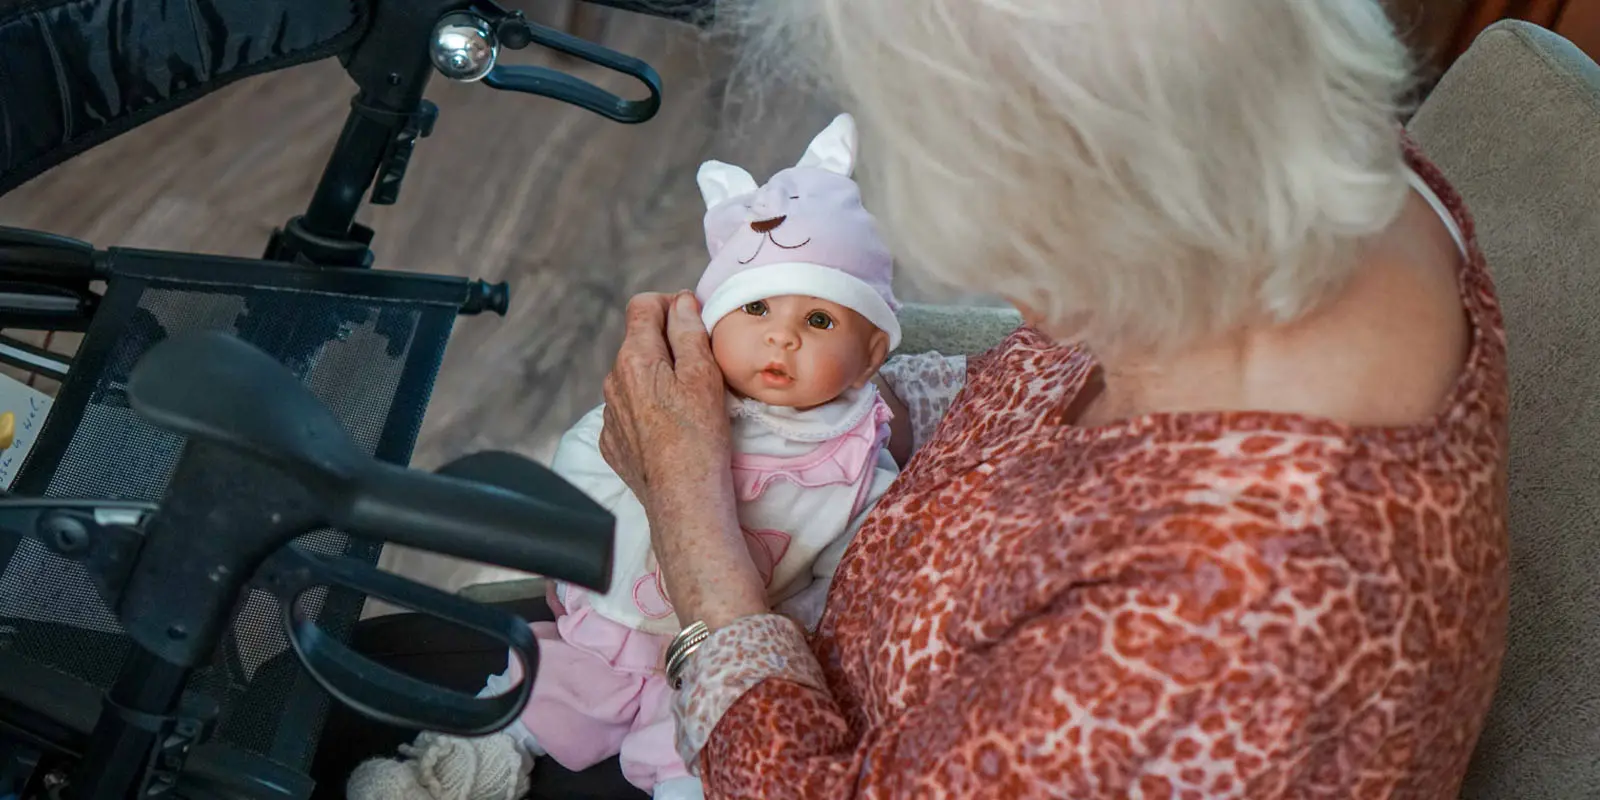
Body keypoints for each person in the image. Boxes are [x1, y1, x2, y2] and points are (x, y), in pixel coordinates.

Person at [594, 0, 1509, 797]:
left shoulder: (1227, 631)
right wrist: (853, 409)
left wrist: (689, 516)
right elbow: (1035, 394)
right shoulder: (1304, 158)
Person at [346, 114, 910, 800]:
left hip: (724, 668)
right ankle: (447, 775)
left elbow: (855, 570)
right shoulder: (670, 400)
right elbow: (589, 461)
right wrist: (572, 556)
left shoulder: (857, 458)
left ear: (869, 357)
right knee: (531, 694)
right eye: (757, 309)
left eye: (818, 321)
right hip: (612, 635)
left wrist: (800, 632)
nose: (781, 339)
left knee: (703, 765)